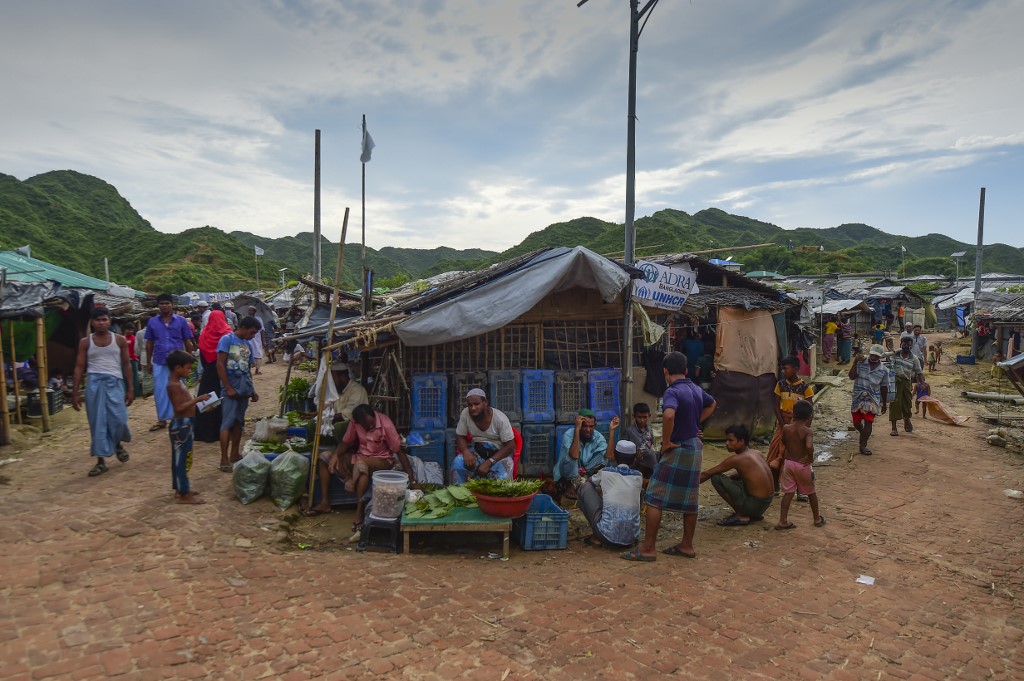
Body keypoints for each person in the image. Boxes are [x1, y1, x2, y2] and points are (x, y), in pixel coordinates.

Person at [622, 351, 716, 562]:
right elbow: (712, 404)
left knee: (654, 496)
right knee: (691, 499)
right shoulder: (696, 388)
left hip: (679, 447)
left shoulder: (672, 391)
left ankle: (648, 549)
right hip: (695, 448)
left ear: (665, 371)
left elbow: (669, 414)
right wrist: (695, 424)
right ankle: (687, 545)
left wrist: (665, 442)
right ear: (685, 370)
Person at [308, 404, 414, 530]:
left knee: (361, 465)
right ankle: (325, 501)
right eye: (365, 426)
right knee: (325, 457)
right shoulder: (355, 423)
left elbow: (399, 452)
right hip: (360, 456)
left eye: (371, 424)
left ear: (374, 416)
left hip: (382, 461)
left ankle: (359, 510)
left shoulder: (386, 424)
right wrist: (336, 455)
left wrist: (412, 479)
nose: (369, 427)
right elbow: (346, 442)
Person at [72, 307, 134, 477]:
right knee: (97, 422)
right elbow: (79, 366)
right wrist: (75, 391)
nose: (101, 322)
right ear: (92, 322)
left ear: (110, 320)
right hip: (94, 384)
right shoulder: (85, 342)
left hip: (115, 382)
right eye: (97, 320)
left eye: (104, 319)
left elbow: (127, 364)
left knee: (119, 419)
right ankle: (101, 461)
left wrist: (130, 388)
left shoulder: (119, 340)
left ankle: (117, 445)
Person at [700, 423, 774, 526]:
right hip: (765, 503)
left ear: (741, 441)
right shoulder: (757, 453)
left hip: (755, 506)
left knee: (716, 477)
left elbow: (707, 473)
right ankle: (751, 512)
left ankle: (741, 515)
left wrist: (687, 485)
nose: (726, 443)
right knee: (735, 477)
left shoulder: (737, 459)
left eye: (730, 440)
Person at [578, 440, 643, 548]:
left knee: (584, 488)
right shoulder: (638, 476)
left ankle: (596, 536)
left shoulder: (606, 472)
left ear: (615, 458)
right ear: (633, 460)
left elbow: (590, 482)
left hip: (606, 536)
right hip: (631, 538)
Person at [216, 316, 261, 471]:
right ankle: (224, 459)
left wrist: (252, 390)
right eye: (252, 332)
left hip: (244, 388)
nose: (253, 336)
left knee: (239, 423)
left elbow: (247, 370)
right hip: (231, 386)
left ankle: (235, 454)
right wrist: (227, 387)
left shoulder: (247, 344)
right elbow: (220, 365)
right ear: (242, 327)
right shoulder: (227, 340)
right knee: (227, 423)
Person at [165, 350, 210, 505]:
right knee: (183, 459)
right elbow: (178, 407)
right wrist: (198, 399)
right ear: (177, 368)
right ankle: (184, 493)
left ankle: (180, 489)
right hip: (181, 425)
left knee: (183, 458)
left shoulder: (179, 383)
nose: (190, 371)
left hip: (186, 423)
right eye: (188, 368)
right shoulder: (173, 385)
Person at [145, 293, 195, 432]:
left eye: (167, 303)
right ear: (158, 305)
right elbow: (149, 343)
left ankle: (180, 416)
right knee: (160, 391)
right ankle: (162, 420)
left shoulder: (181, 321)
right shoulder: (152, 322)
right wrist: (148, 362)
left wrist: (189, 361)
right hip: (159, 360)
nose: (164, 306)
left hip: (178, 363)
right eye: (161, 303)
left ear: (172, 304)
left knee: (180, 389)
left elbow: (187, 341)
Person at [775, 399, 826, 530]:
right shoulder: (807, 431)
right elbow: (809, 445)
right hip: (802, 465)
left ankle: (782, 520)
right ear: (809, 417)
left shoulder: (786, 428)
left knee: (788, 493)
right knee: (811, 493)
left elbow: (783, 442)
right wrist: (810, 456)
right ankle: (817, 519)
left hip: (789, 463)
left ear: (794, 414)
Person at [768, 356, 815, 493]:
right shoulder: (780, 385)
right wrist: (783, 426)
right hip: (782, 424)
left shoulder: (806, 387)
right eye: (782, 368)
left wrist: (804, 429)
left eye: (785, 368)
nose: (783, 371)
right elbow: (776, 406)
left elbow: (809, 411)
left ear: (795, 369)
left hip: (799, 425)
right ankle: (776, 486)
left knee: (798, 456)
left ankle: (801, 490)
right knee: (775, 453)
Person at [450, 388, 516, 483]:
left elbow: (510, 447)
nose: (473, 408)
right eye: (470, 405)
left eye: (477, 404)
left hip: (499, 456)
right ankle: (461, 495)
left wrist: (489, 462)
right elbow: (460, 435)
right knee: (457, 463)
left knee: (502, 479)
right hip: (478, 453)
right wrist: (466, 452)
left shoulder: (500, 418)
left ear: (485, 402)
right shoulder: (465, 414)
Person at [553, 409, 614, 498]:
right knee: (571, 457)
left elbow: (609, 456)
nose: (588, 430)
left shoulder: (598, 437)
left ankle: (586, 480)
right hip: (566, 472)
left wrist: (612, 431)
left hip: (585, 471)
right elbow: (574, 455)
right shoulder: (568, 434)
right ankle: (570, 484)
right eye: (584, 426)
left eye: (591, 426)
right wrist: (577, 430)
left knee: (603, 457)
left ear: (595, 426)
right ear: (579, 425)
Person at [303, 363, 369, 445]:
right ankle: (318, 448)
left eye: (333, 379)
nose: (332, 383)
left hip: (356, 424)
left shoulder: (357, 391)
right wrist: (316, 414)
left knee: (339, 427)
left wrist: (325, 417)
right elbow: (330, 409)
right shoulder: (338, 390)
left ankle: (342, 452)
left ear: (343, 377)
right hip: (337, 421)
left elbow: (349, 414)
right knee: (312, 424)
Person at [195, 309, 232, 442]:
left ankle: (204, 432)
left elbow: (202, 357)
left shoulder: (204, 334)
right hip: (224, 373)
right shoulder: (227, 334)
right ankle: (221, 430)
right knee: (222, 401)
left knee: (207, 400)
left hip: (209, 373)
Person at [849, 344, 889, 456]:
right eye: (872, 354)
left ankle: (863, 445)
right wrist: (855, 362)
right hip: (858, 396)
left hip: (873, 398)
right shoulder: (861, 362)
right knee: (856, 422)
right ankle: (863, 434)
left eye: (876, 356)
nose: (874, 357)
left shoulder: (884, 370)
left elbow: (884, 387)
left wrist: (884, 403)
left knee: (869, 421)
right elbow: (851, 376)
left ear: (880, 356)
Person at [890, 335, 923, 437]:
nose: (906, 346)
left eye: (908, 345)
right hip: (895, 382)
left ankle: (907, 420)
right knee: (895, 404)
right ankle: (894, 428)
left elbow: (919, 372)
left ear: (911, 346)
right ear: (901, 344)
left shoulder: (914, 358)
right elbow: (889, 366)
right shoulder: (895, 355)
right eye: (904, 344)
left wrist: (922, 384)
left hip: (907, 382)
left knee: (907, 403)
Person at [620, 402, 659, 476]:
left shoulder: (650, 430)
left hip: (648, 461)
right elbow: (622, 451)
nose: (642, 420)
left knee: (657, 454)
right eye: (639, 417)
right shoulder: (629, 431)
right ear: (634, 416)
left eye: (644, 417)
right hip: (634, 462)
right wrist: (635, 453)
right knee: (650, 454)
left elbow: (651, 445)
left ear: (649, 416)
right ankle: (657, 475)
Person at [123, 322, 142, 398]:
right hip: (124, 360)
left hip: (133, 359)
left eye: (131, 330)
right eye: (128, 329)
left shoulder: (134, 338)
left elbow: (137, 349)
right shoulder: (122, 339)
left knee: (135, 377)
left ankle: (136, 393)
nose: (130, 331)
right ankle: (126, 393)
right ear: (124, 330)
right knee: (125, 377)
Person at [247, 307, 265, 374]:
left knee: (258, 353)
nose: (250, 312)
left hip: (257, 339)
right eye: (249, 310)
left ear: (254, 311)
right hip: (248, 339)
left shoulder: (258, 319)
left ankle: (257, 369)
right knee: (248, 353)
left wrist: (264, 341)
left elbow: (262, 330)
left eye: (251, 310)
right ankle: (248, 369)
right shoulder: (247, 319)